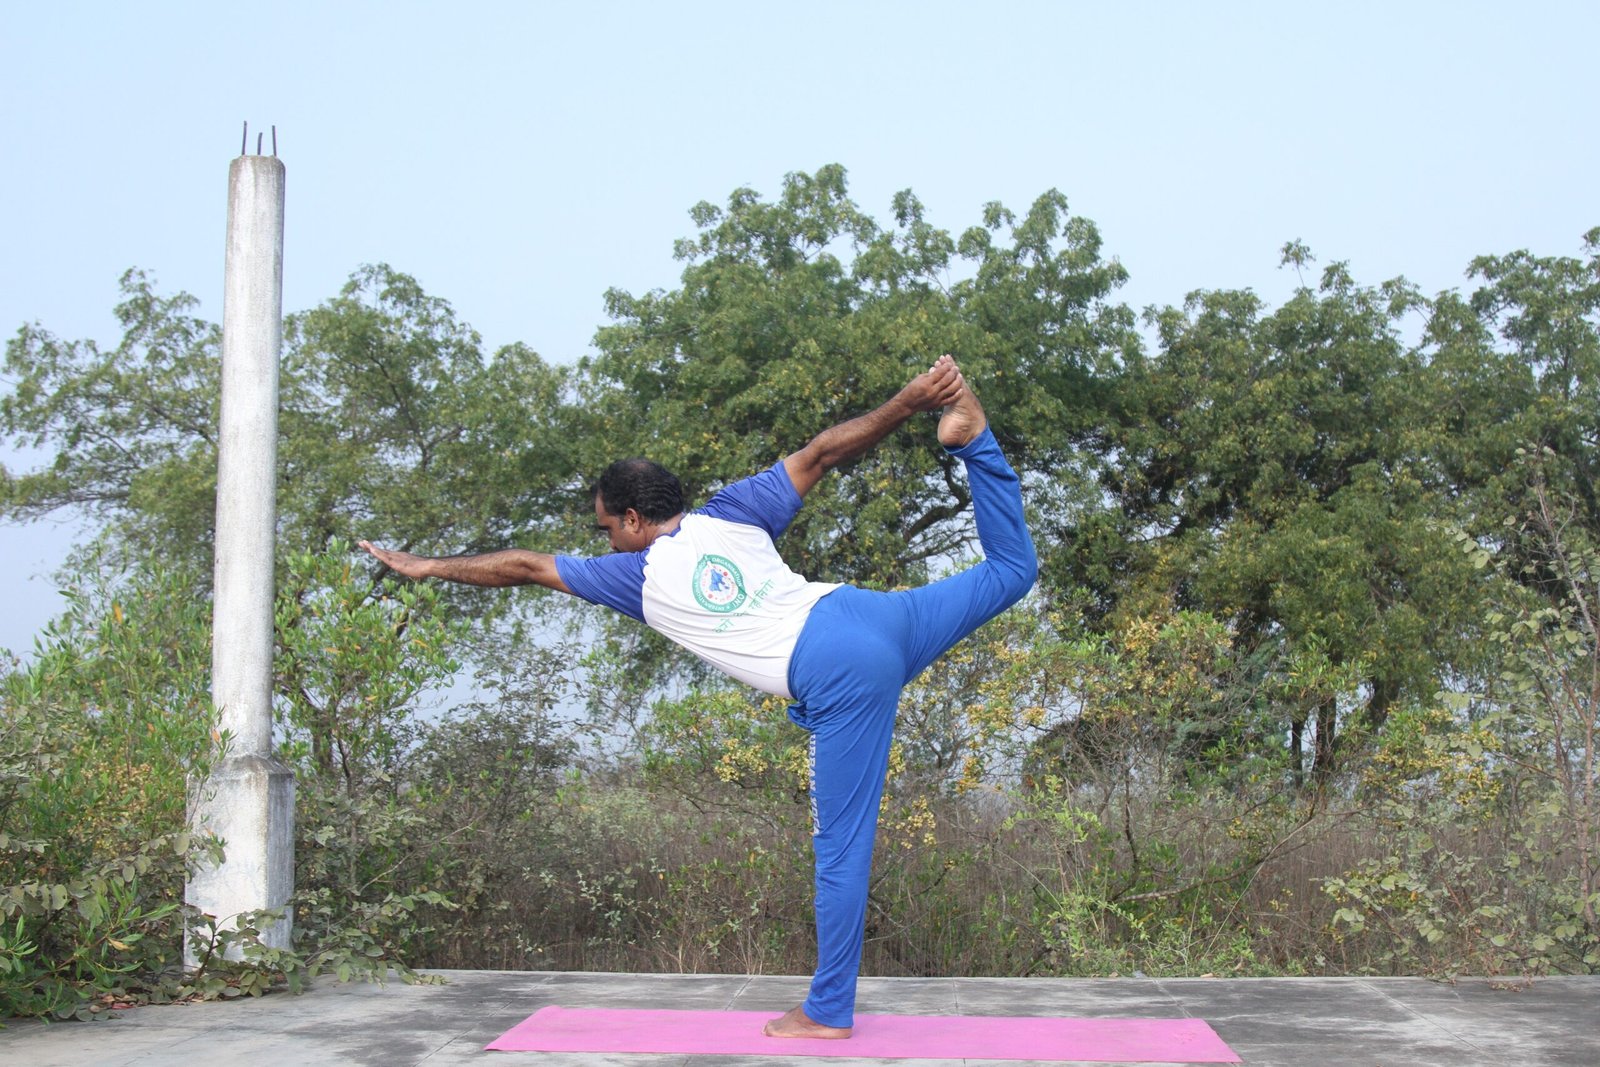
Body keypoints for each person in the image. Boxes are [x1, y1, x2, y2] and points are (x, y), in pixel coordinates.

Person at [359, 355, 1036, 1038]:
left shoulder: (635, 576)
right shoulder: (734, 511)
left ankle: (828, 1012)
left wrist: (429, 566)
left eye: (606, 529)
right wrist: (909, 401)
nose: (606, 542)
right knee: (1012, 570)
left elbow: (525, 566)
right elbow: (824, 452)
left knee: (841, 849)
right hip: (873, 616)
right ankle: (973, 435)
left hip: (837, 670)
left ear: (632, 520)